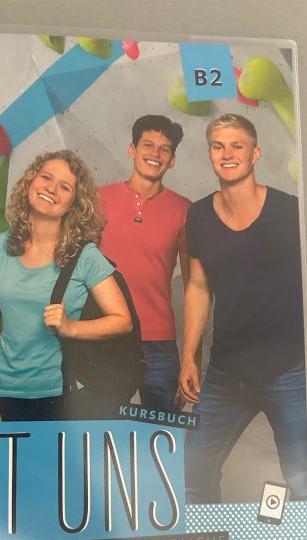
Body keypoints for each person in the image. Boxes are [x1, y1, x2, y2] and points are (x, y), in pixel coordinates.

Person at [179, 113, 307, 503]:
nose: (227, 154)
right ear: (209, 154)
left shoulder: (290, 211)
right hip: (226, 371)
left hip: (288, 368)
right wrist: (189, 357)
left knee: (304, 481)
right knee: (191, 473)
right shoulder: (199, 215)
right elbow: (198, 286)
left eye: (238, 145)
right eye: (218, 146)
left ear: (256, 153)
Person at [0, 150, 132, 422]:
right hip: (5, 394)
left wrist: (71, 327)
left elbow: (122, 321)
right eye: (46, 178)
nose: (51, 189)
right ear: (30, 182)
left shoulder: (84, 256)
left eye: (65, 187)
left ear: (74, 203)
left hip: (64, 397)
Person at [99, 115, 191, 411]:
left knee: (163, 431)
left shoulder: (184, 210)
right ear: (132, 150)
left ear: (172, 161)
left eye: (164, 149)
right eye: (148, 145)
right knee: (102, 428)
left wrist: (192, 359)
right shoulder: (99, 200)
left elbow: (195, 290)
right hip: (104, 338)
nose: (155, 154)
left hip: (159, 344)